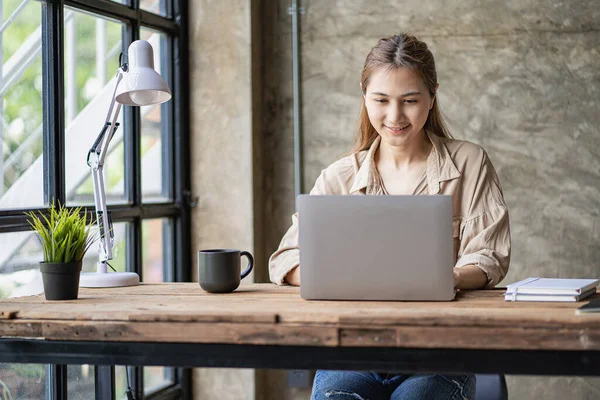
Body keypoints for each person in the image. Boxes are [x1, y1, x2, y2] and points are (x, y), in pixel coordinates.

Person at [269, 33, 511, 400]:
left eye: (410, 101)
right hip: (351, 354)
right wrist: (330, 276)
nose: (394, 116)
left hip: (440, 353)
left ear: (432, 97)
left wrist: (450, 277)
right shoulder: (339, 176)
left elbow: (490, 255)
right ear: (364, 97)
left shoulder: (469, 162)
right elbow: (286, 258)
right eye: (381, 100)